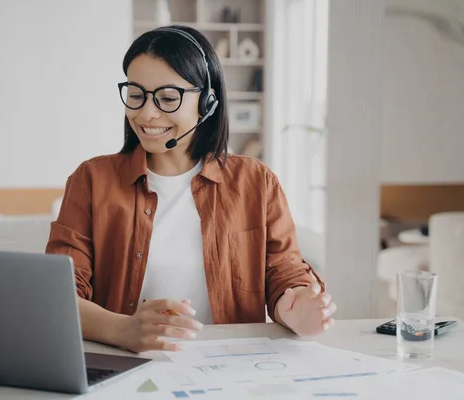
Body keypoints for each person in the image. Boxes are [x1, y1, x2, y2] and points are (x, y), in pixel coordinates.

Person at [46, 25, 336, 354]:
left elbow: (282, 270)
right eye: (136, 95)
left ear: (208, 102)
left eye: (168, 98)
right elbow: (59, 294)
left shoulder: (256, 182)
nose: (146, 113)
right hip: (124, 368)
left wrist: (293, 304)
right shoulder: (91, 180)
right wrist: (123, 330)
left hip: (229, 369)